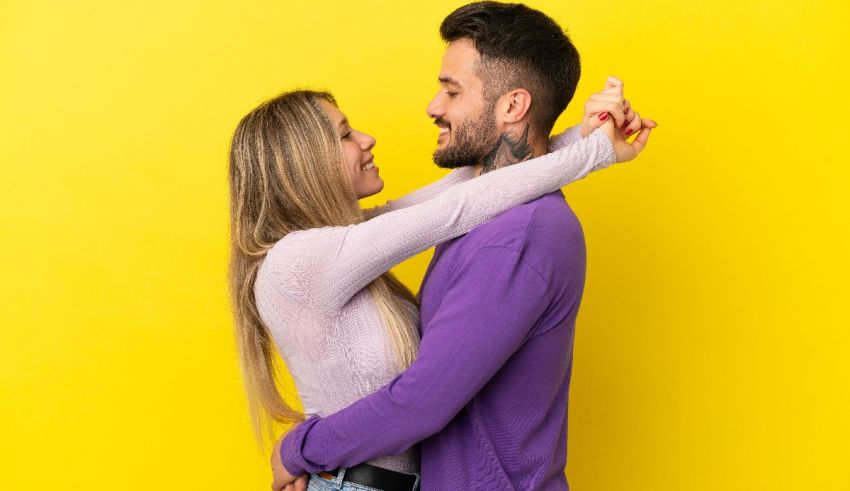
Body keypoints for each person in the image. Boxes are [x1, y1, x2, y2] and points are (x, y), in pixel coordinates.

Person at [269, 2, 655, 491]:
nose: (434, 107)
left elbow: (421, 401)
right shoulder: (482, 214)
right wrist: (585, 141)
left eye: (451, 91)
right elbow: (477, 188)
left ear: (512, 106)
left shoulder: (518, 235)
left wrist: (299, 448)